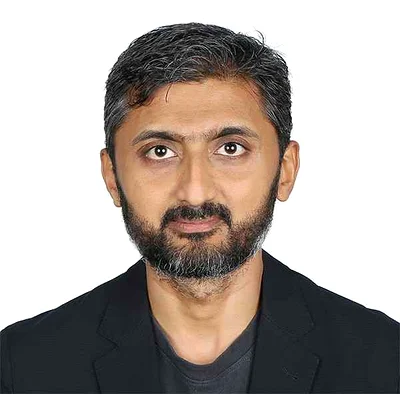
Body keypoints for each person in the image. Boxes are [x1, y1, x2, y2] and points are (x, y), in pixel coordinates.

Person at [1, 22, 399, 394]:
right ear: (112, 176)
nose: (194, 193)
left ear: (285, 170)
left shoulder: (384, 362)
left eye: (231, 148)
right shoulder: (22, 366)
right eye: (160, 151)